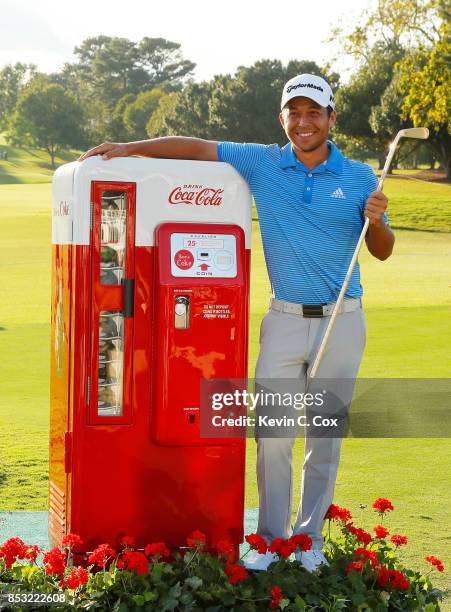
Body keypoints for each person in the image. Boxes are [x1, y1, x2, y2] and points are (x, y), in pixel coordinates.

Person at [79, 73, 394, 573]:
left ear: (332, 118)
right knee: (272, 436)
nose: (304, 121)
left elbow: (381, 250)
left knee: (323, 437)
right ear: (282, 118)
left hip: (343, 318)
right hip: (285, 319)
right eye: (295, 112)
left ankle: (308, 541)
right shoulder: (262, 161)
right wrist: (130, 147)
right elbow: (198, 148)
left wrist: (377, 220)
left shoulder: (358, 178)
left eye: (315, 112)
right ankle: (272, 541)